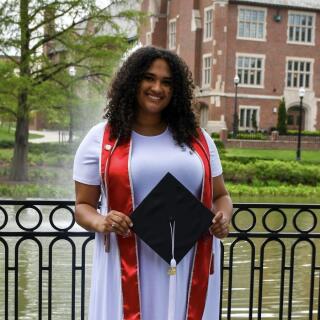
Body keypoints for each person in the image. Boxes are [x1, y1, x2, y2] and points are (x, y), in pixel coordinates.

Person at [73, 46, 233, 320]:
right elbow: (82, 206)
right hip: (126, 262)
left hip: (188, 261)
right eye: (149, 78)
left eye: (167, 82)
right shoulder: (102, 139)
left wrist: (223, 217)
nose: (157, 87)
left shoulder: (199, 140)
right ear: (133, 81)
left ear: (176, 90)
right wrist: (102, 222)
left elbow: (221, 196)